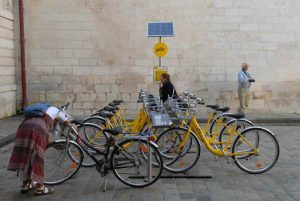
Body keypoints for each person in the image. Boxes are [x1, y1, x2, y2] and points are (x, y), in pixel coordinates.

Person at [7, 106, 69, 196]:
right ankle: (40, 188)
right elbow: (68, 124)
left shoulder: (41, 111)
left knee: (24, 155)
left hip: (23, 127)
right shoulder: (59, 112)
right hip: (37, 128)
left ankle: (25, 184)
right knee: (36, 157)